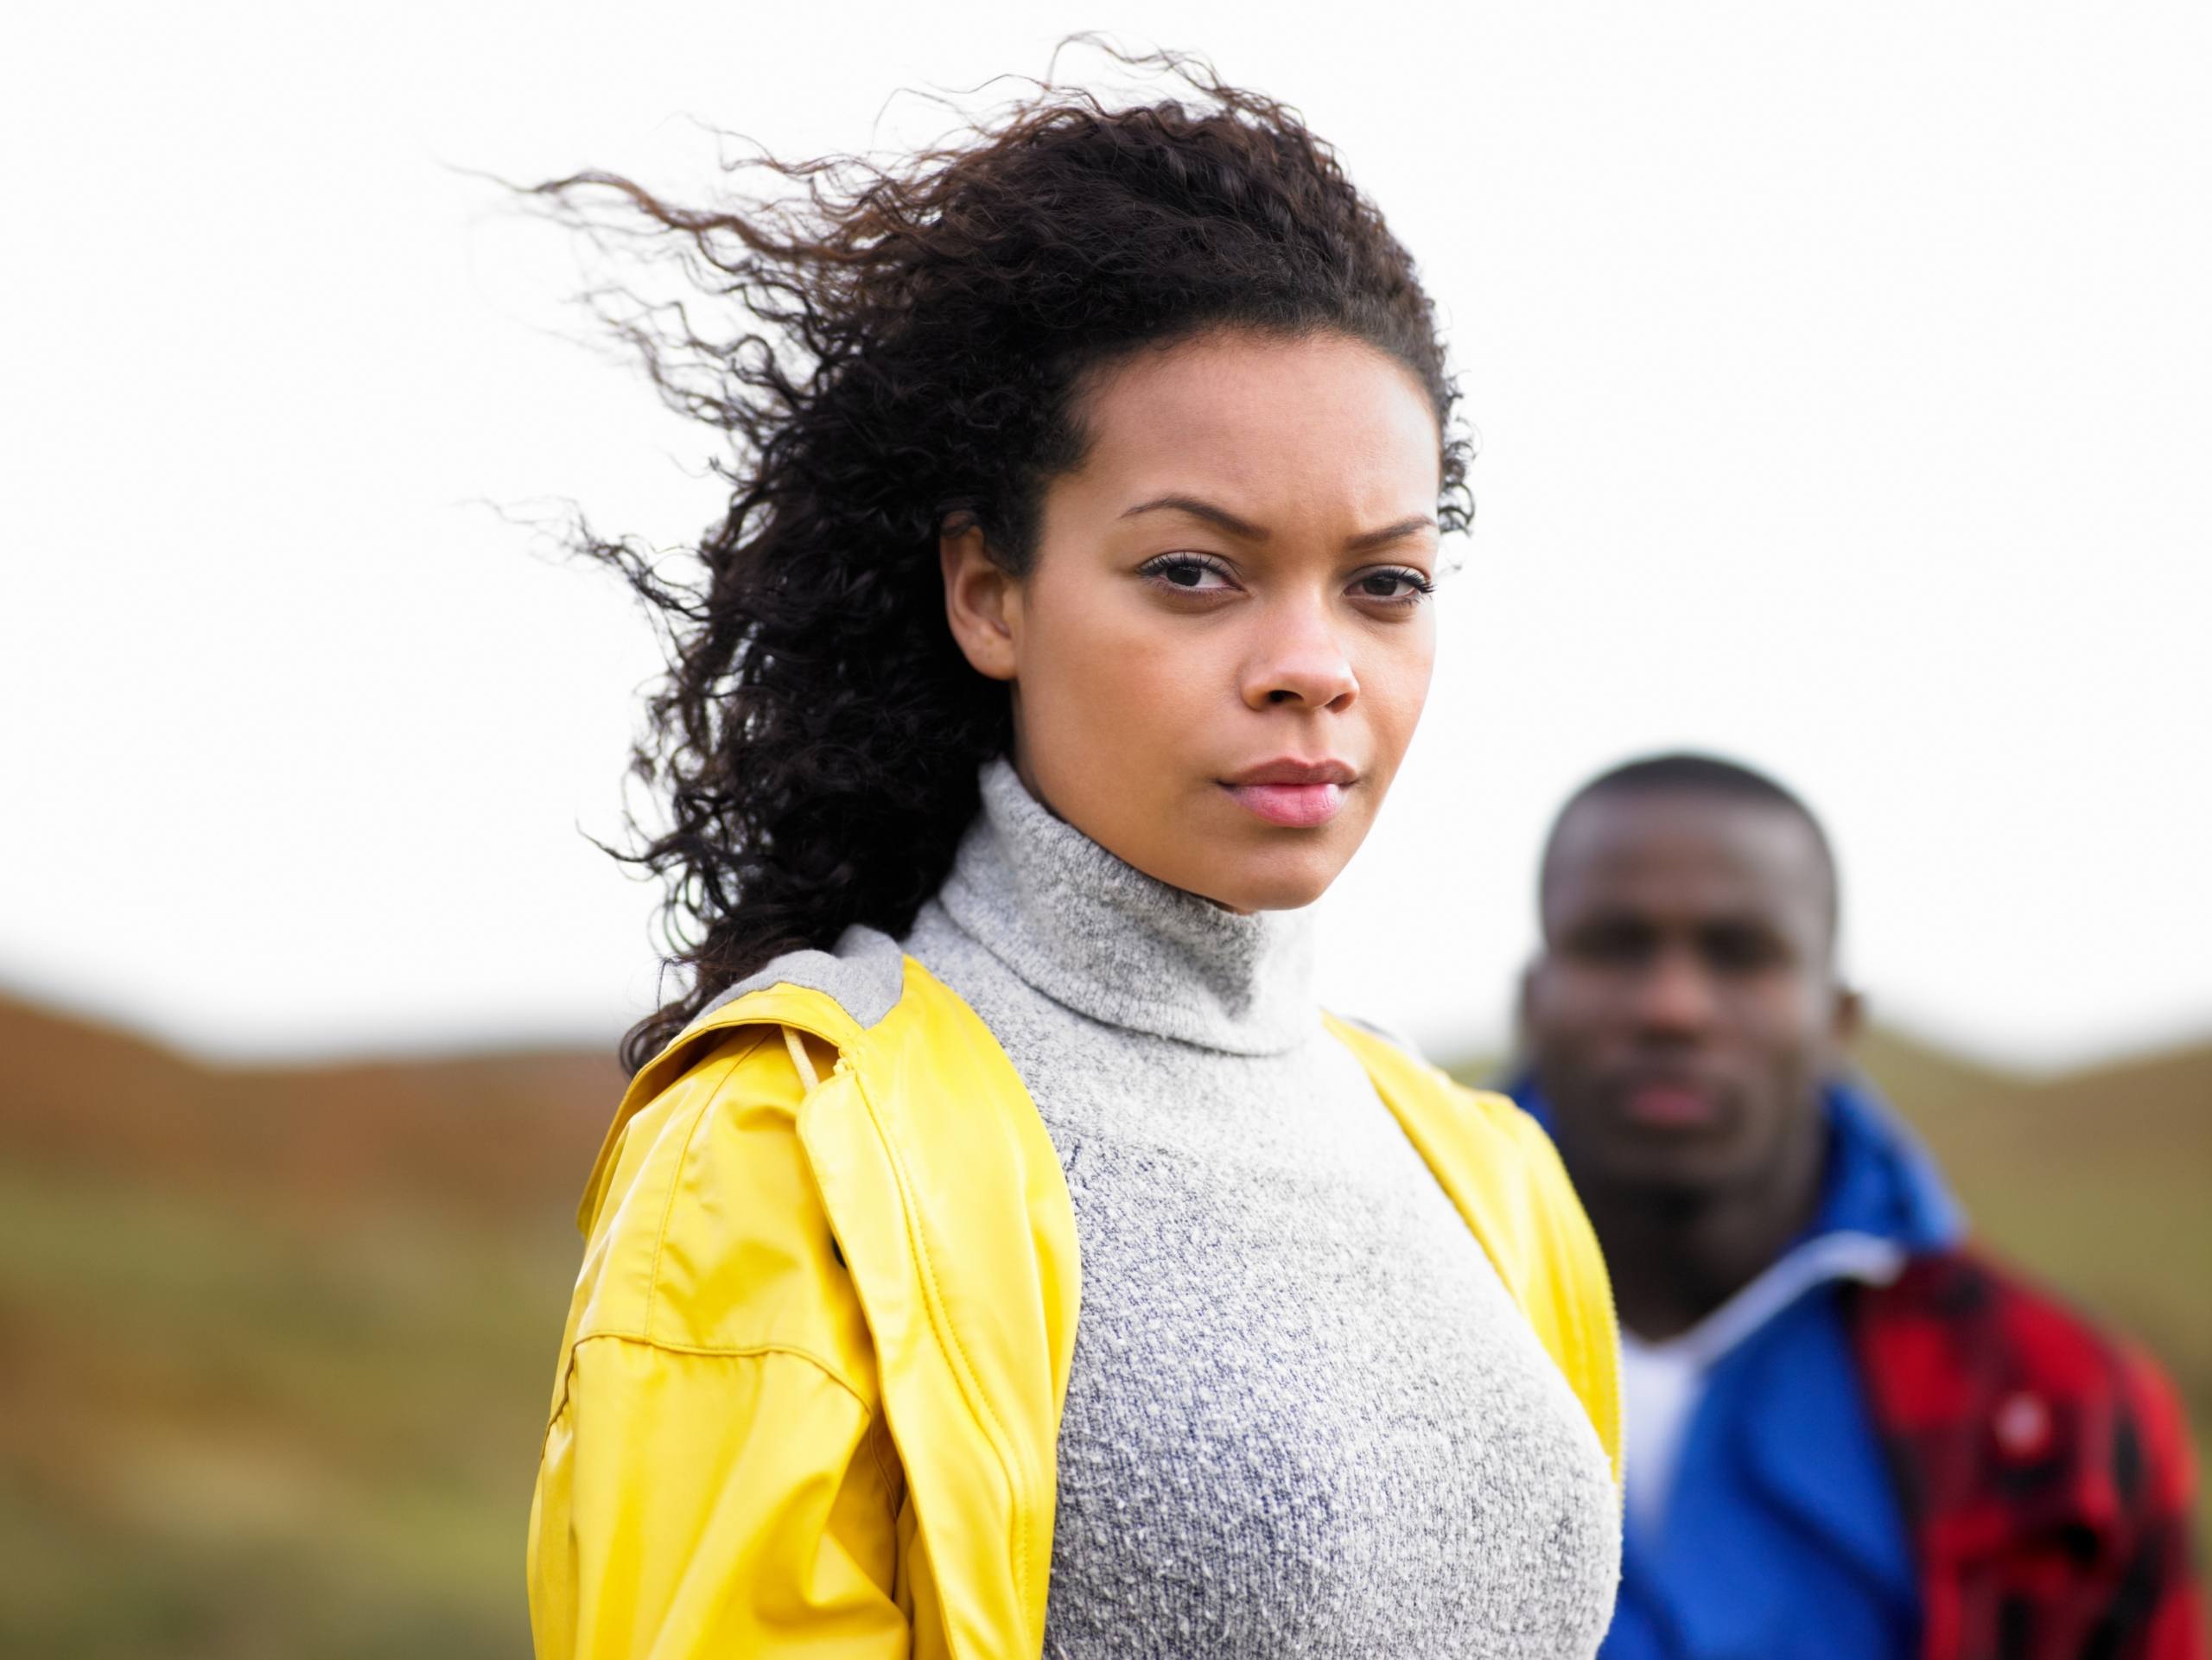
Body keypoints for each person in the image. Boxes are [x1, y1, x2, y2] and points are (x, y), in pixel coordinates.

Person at [522, 53, 1623, 1660]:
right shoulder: (790, 1150)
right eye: (1195, 571)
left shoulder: (1490, 1181)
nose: (1313, 662)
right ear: (989, 592)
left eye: (1384, 585)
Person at [1512, 753, 2203, 1660]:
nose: (1673, 1006)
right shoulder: (1363, 1336)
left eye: (1740, 952)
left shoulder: (2056, 1404)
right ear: (1534, 1000)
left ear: (1836, 1017)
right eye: (1614, 944)